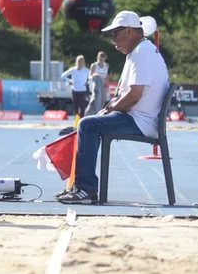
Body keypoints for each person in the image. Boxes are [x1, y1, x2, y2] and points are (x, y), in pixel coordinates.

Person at [57, 11, 169, 205]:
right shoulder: (142, 50)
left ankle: (86, 189)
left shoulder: (142, 53)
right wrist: (110, 108)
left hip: (140, 120)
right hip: (140, 117)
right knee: (89, 124)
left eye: (114, 34)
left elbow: (134, 96)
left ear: (128, 31)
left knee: (87, 125)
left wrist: (110, 109)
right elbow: (131, 95)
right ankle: (81, 186)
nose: (112, 40)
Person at [87, 51, 110, 115]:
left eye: (103, 60)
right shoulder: (94, 65)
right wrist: (95, 75)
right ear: (98, 58)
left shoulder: (106, 65)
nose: (101, 61)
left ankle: (99, 113)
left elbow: (106, 76)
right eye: (100, 59)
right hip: (96, 84)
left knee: (103, 99)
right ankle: (92, 112)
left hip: (104, 85)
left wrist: (107, 86)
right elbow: (89, 76)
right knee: (96, 99)